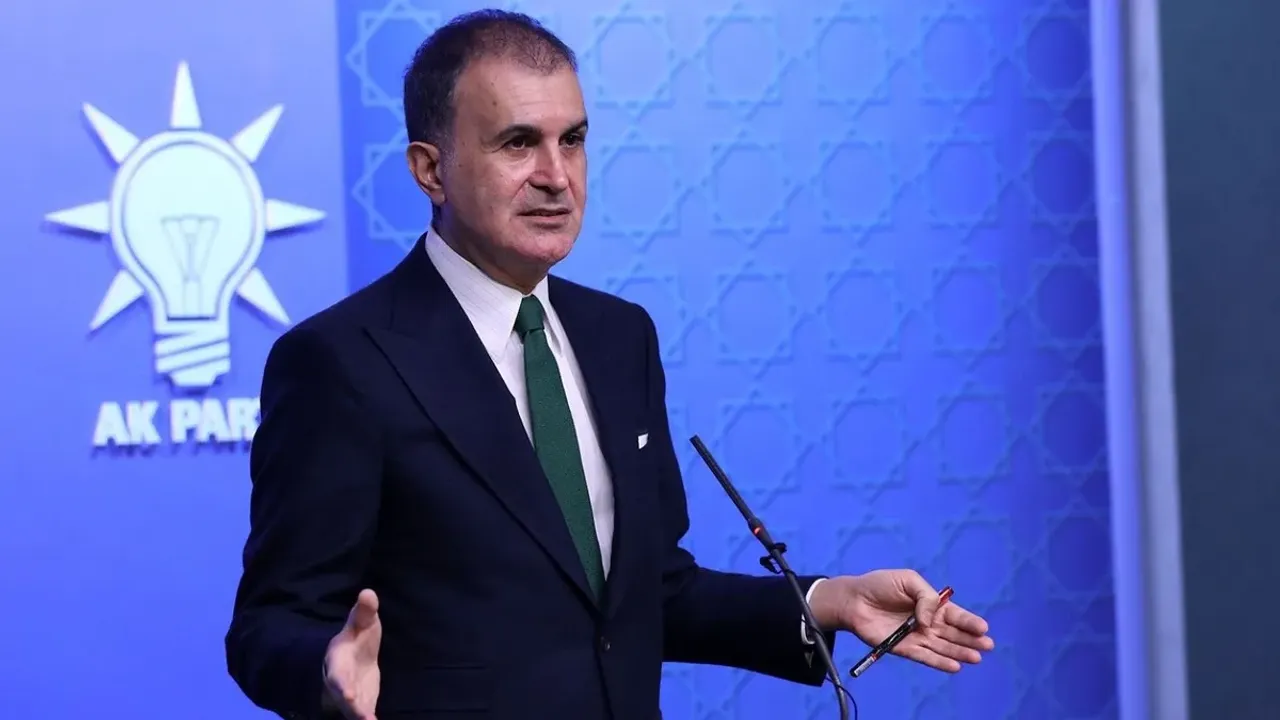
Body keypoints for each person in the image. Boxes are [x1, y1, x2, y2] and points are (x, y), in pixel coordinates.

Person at [224, 9, 994, 720]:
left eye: (574, 139)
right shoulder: (339, 363)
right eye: (518, 143)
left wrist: (827, 601)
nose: (557, 175)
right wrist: (326, 669)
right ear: (430, 170)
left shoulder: (619, 336)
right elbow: (270, 622)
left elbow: (652, 592)